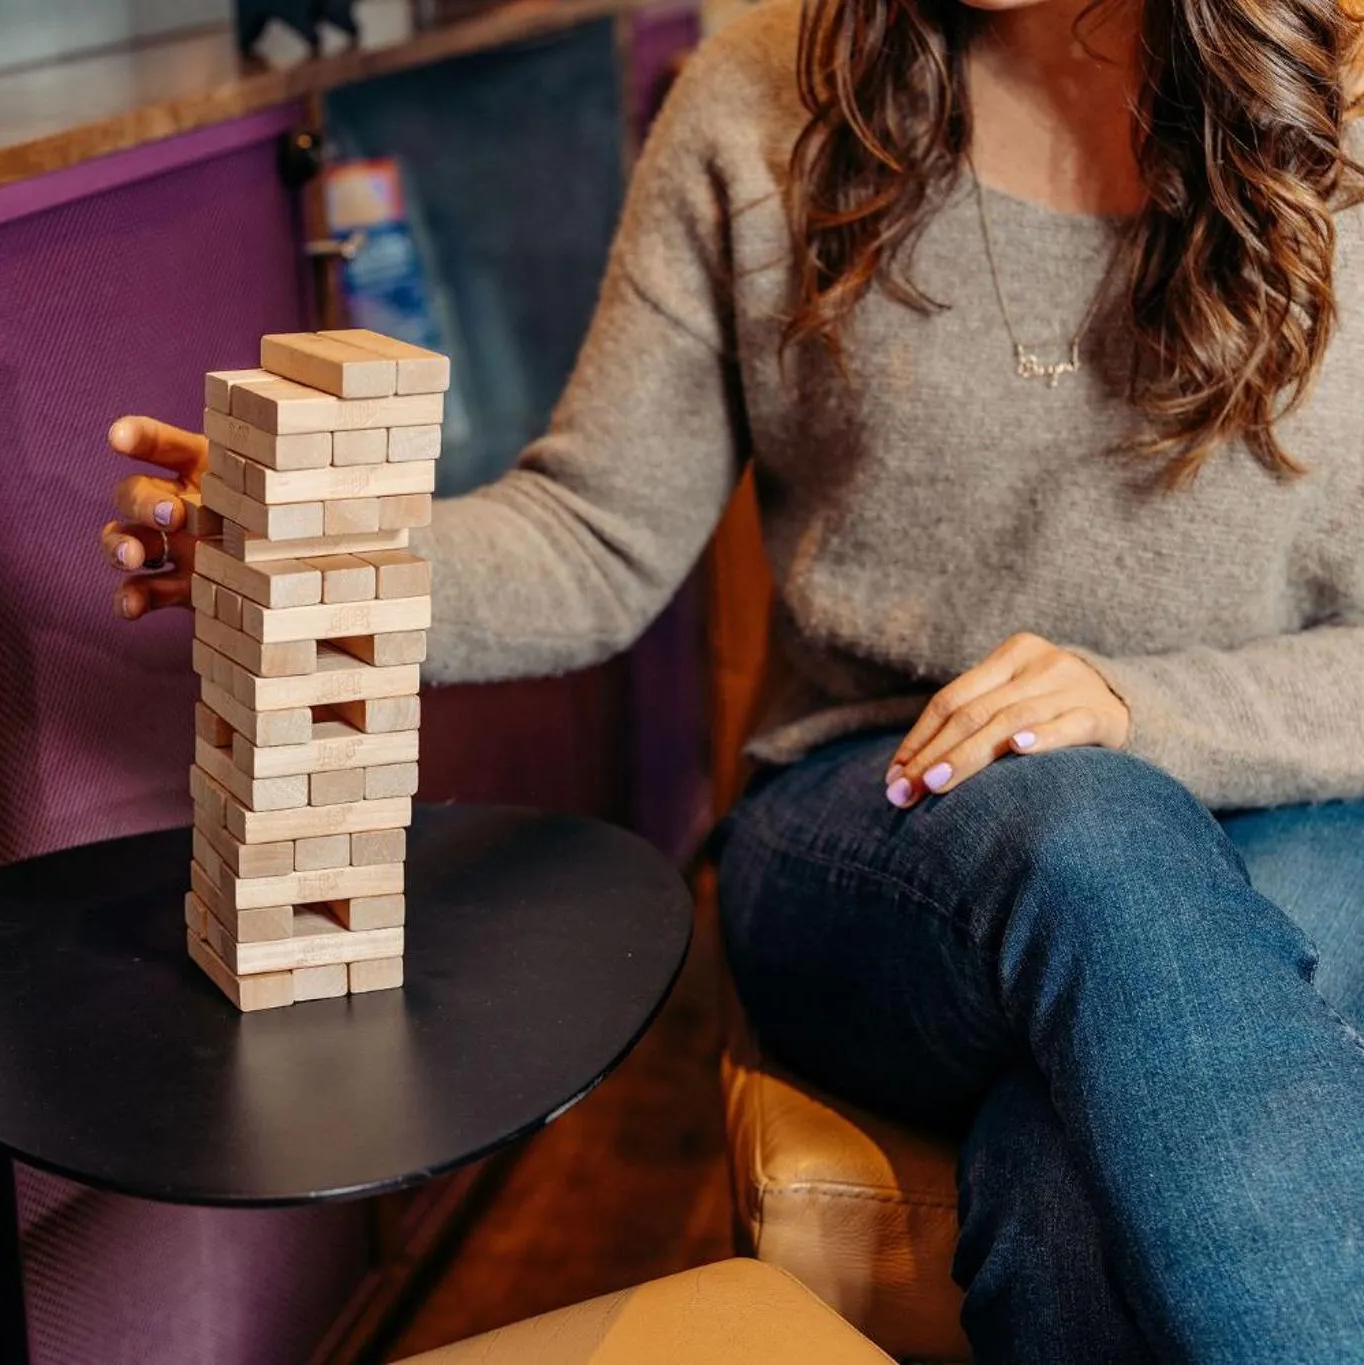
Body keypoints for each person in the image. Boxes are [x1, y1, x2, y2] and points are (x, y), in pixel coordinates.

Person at [99, 0, 1364, 1359]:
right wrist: (322, 554)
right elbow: (595, 535)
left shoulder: (1337, 117)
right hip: (879, 821)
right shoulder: (763, 96)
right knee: (1089, 830)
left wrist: (1139, 710)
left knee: (1068, 1184)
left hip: (1282, 807)